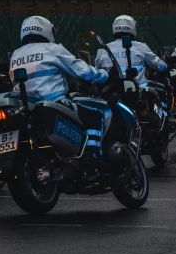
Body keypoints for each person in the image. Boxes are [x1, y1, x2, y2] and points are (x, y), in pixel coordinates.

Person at [9, 16, 109, 157]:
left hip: (27, 107)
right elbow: (82, 71)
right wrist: (104, 75)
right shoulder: (52, 49)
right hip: (54, 104)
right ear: (46, 30)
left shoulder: (16, 54)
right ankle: (92, 158)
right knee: (95, 115)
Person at [95, 15, 167, 86]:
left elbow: (97, 74)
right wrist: (165, 65)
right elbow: (159, 65)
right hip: (138, 94)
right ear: (132, 28)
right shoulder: (141, 47)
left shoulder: (103, 49)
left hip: (110, 94)